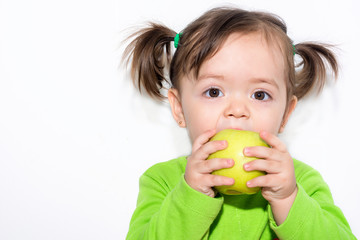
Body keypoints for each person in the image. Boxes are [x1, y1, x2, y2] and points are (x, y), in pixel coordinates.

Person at [123, 7, 355, 239]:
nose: (237, 111)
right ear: (179, 107)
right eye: (213, 92)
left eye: (260, 95)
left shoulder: (301, 182)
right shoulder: (162, 181)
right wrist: (190, 197)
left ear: (285, 114)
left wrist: (288, 200)